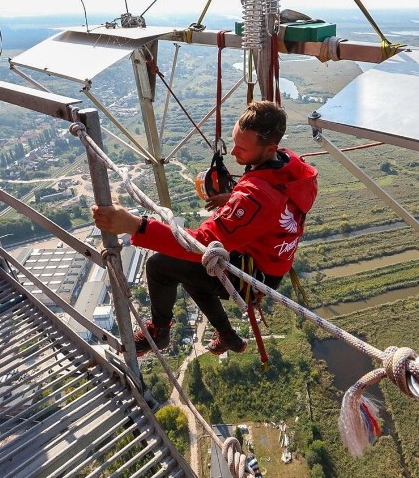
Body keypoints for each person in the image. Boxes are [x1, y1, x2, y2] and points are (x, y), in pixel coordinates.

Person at [92, 101, 318, 356]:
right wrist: (235, 200)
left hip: (251, 276)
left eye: (241, 148)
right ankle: (228, 336)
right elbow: (273, 206)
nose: (233, 153)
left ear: (269, 149)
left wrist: (134, 225)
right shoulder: (293, 165)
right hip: (270, 263)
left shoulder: (256, 197)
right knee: (189, 269)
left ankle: (159, 331)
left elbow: (203, 241)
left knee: (161, 266)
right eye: (234, 143)